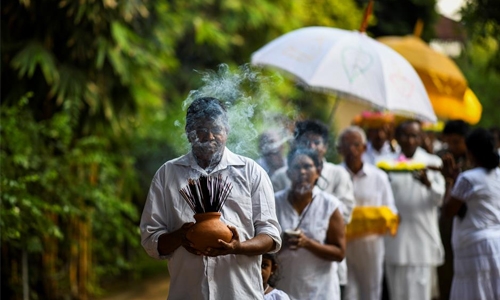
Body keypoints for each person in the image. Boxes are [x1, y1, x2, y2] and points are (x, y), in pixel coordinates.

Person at [140, 97, 282, 300]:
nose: (209, 136)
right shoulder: (167, 174)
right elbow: (150, 241)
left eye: (216, 128)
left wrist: (238, 247)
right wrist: (181, 236)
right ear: (188, 132)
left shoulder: (251, 172)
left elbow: (271, 236)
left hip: (239, 294)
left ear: (227, 130)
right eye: (200, 129)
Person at [270, 119, 354, 296]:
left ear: (318, 171)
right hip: (284, 287)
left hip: (320, 290)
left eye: (307, 167)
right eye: (296, 168)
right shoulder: (275, 201)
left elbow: (339, 251)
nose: (302, 172)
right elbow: (264, 243)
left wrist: (307, 243)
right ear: (288, 172)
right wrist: (281, 242)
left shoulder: (330, 203)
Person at [381, 120, 445, 300]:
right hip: (395, 241)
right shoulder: (386, 164)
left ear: (421, 138)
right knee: (397, 295)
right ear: (397, 138)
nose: (409, 140)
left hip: (422, 242)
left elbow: (439, 200)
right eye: (405, 135)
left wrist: (428, 183)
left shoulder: (432, 162)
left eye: (414, 136)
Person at [336, 126, 397, 300]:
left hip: (371, 244)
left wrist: (366, 218)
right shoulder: (334, 175)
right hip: (342, 244)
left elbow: (391, 211)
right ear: (339, 149)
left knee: (371, 291)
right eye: (346, 145)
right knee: (347, 292)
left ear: (364, 147)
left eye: (356, 144)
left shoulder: (379, 177)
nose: (352, 149)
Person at [441, 128, 500, 300]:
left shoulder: (469, 178)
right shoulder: (497, 174)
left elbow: (448, 211)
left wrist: (449, 181)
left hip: (474, 247)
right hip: (496, 245)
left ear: (471, 152)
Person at [435, 119, 471, 300]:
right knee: (446, 274)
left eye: (456, 142)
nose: (451, 147)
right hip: (446, 227)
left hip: (469, 227)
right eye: (447, 142)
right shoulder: (439, 157)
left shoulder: (473, 161)